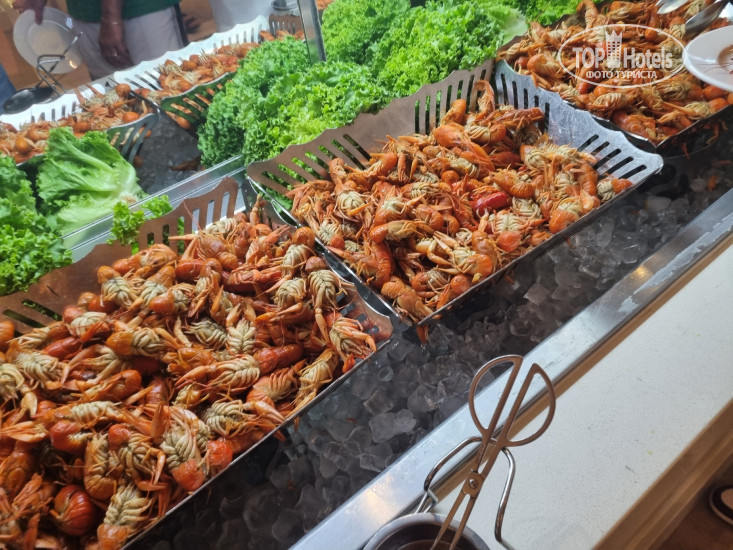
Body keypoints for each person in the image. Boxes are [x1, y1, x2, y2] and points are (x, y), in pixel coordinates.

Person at [15, 0, 187, 80]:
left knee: (165, 82)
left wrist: (111, 18)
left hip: (141, 9)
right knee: (111, 92)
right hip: (85, 12)